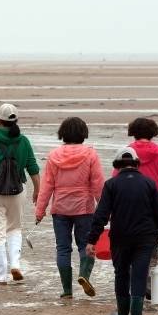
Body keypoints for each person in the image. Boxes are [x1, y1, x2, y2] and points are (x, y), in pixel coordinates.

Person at [86, 147, 158, 315]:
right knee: (140, 276)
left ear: (117, 165)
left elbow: (101, 215)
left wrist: (91, 240)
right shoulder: (149, 184)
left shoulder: (111, 185)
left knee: (122, 275)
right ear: (136, 164)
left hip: (120, 238)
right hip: (146, 239)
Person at [35, 117, 104, 299]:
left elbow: (47, 186)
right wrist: (105, 208)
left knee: (63, 249)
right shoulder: (91, 155)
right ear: (83, 133)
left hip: (60, 208)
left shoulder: (53, 155)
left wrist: (40, 210)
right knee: (86, 246)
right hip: (84, 208)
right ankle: (84, 275)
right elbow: (98, 184)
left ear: (62, 133)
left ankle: (67, 290)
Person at [0, 104, 40, 284]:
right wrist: (37, 190)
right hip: (18, 190)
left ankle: (2, 274)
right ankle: (16, 264)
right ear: (15, 120)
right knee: (14, 228)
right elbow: (33, 168)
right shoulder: (24, 140)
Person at [118, 117, 158, 300]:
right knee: (151, 245)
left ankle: (134, 279)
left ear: (133, 132)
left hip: (127, 203)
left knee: (128, 242)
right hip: (155, 204)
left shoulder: (126, 153)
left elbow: (116, 177)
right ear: (153, 133)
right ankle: (146, 282)